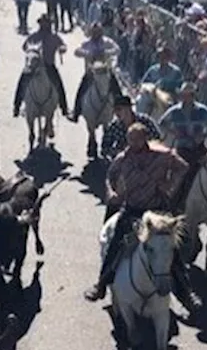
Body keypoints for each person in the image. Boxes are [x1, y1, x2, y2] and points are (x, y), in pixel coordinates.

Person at [84, 123, 198, 312]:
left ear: (145, 138)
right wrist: (111, 192)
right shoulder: (123, 158)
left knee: (172, 250)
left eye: (135, 138)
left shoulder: (162, 155)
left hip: (156, 211)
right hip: (133, 209)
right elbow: (110, 176)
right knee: (116, 244)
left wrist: (170, 184)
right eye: (129, 138)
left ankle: (186, 292)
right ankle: (101, 284)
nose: (131, 143)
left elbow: (183, 167)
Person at [158, 82, 207, 208]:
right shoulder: (174, 111)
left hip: (199, 148)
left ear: (193, 96)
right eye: (184, 95)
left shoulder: (202, 111)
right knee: (180, 173)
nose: (187, 97)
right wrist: (173, 132)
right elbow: (162, 123)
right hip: (182, 148)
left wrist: (203, 135)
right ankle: (175, 202)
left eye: (190, 95)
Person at [13, 15, 69, 120]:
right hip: (33, 66)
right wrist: (31, 51)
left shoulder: (53, 37)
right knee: (22, 81)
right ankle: (17, 106)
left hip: (48, 65)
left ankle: (64, 107)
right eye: (42, 22)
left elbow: (63, 45)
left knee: (58, 83)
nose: (44, 24)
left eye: (46, 23)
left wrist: (62, 48)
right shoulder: (34, 36)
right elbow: (25, 46)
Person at [69, 22, 122, 123]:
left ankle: (121, 110)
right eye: (94, 32)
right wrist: (88, 53)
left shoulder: (107, 42)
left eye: (98, 31)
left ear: (101, 32)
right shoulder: (87, 43)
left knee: (117, 90)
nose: (96, 34)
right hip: (91, 74)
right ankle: (76, 112)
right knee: (82, 90)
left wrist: (106, 52)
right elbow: (76, 51)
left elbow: (118, 50)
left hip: (106, 73)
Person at [99, 95, 159, 161]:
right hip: (124, 162)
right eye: (115, 110)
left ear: (128, 109)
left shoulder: (145, 121)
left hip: (146, 160)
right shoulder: (114, 127)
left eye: (119, 109)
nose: (116, 113)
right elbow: (104, 148)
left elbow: (157, 139)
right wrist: (119, 152)